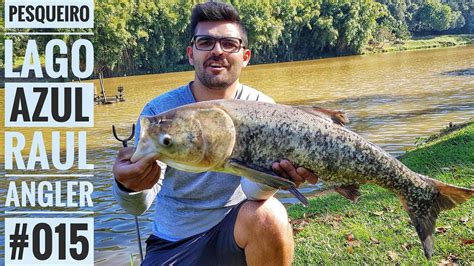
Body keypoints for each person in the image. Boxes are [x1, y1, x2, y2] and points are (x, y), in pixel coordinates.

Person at [112, 2, 318, 265]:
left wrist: (275, 178)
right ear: (191, 53)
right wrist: (127, 186)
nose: (217, 51)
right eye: (205, 42)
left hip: (238, 231)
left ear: (245, 56)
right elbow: (137, 207)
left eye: (229, 43)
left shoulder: (264, 108)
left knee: (270, 214)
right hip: (173, 242)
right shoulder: (161, 112)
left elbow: (254, 192)